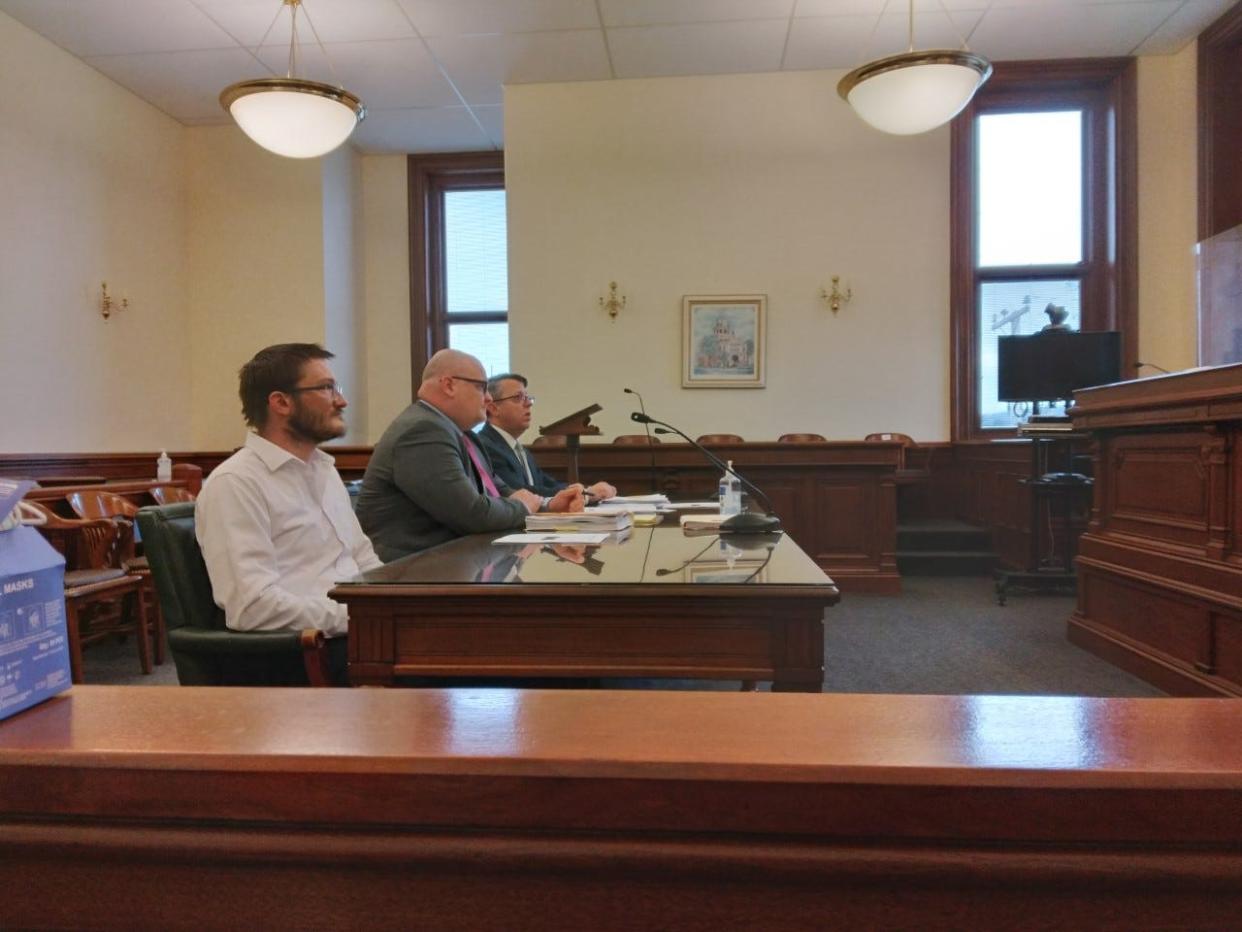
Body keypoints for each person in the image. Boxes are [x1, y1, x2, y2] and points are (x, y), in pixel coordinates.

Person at [195, 343, 382, 684]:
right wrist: (359, 617)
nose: (341, 401)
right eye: (326, 388)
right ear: (280, 402)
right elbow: (253, 606)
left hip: (357, 633)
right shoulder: (236, 483)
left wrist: (398, 608)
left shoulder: (322, 470)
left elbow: (363, 559)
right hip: (305, 651)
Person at [356, 349, 584, 562]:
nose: (487, 398)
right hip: (414, 574)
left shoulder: (463, 435)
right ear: (448, 385)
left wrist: (548, 504)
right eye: (481, 388)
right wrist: (524, 508)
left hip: (455, 562)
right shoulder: (422, 431)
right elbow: (473, 514)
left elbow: (499, 491)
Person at [476, 372, 618, 502]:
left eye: (528, 398)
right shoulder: (485, 446)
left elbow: (548, 484)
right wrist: (586, 494)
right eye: (518, 398)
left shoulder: (520, 449)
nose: (528, 404)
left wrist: (584, 490)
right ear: (493, 408)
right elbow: (520, 493)